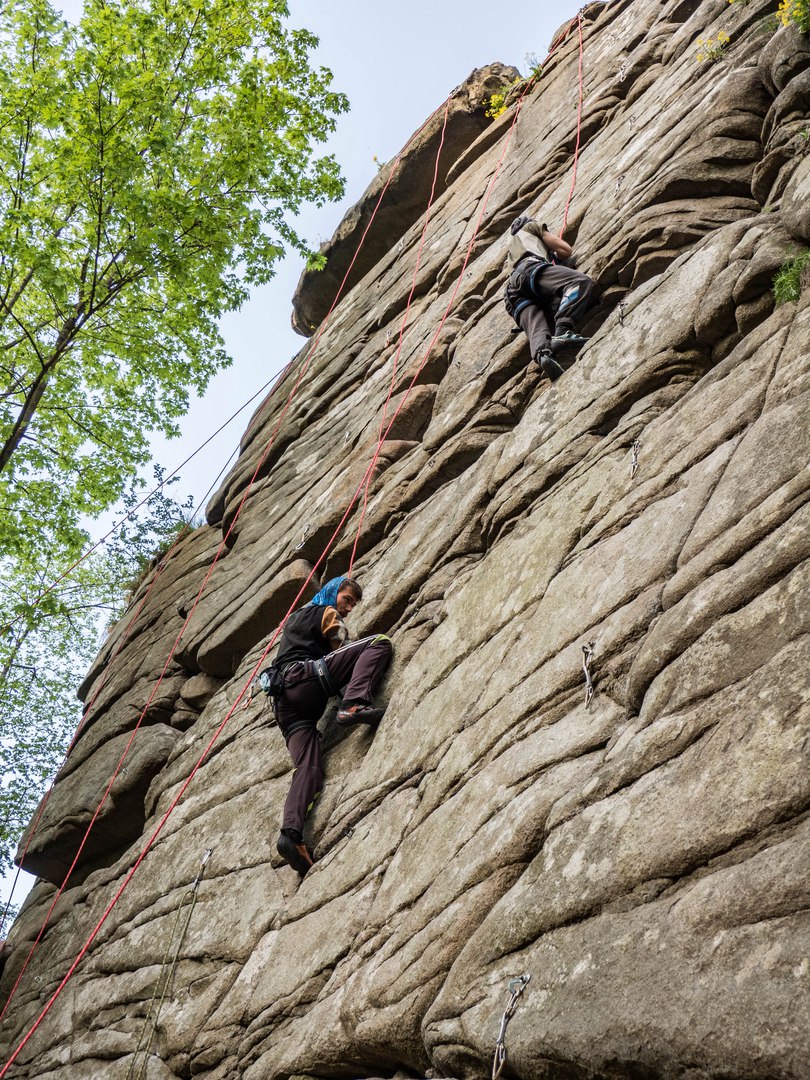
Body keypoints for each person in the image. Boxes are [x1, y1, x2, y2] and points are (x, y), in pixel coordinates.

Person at [271, 575, 392, 876]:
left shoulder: (294, 620)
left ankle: (291, 836)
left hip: (287, 707)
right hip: (305, 679)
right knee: (379, 643)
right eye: (347, 599)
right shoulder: (326, 612)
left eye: (352, 604)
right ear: (332, 593)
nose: (348, 607)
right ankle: (353, 704)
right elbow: (342, 646)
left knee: (309, 768)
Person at [503, 215, 597, 381]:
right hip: (529, 269)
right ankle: (563, 331)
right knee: (579, 282)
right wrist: (556, 257)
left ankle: (544, 356)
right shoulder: (532, 227)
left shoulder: (513, 250)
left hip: (512, 294)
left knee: (538, 325)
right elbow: (565, 250)